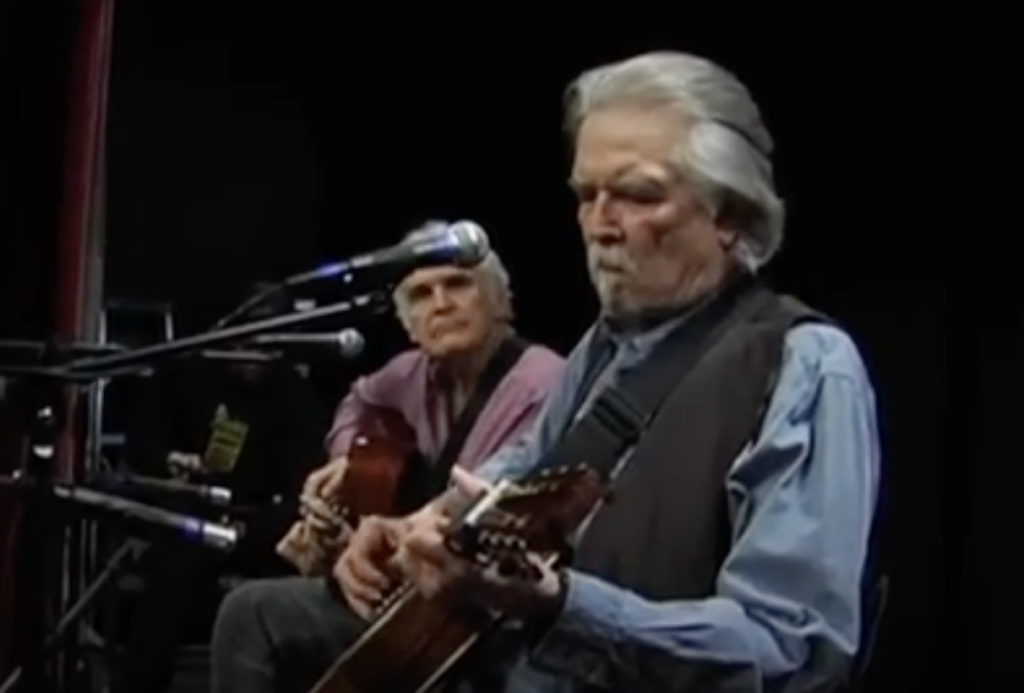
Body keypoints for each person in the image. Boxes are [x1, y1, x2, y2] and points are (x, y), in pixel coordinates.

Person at [211, 51, 880, 693]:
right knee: (257, 616)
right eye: (586, 195)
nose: (599, 224)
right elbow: (523, 471)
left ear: (730, 214)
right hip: (511, 658)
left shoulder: (806, 365)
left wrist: (561, 606)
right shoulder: (604, 347)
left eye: (638, 196)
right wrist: (414, 526)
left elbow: (791, 654)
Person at [270, 225, 567, 574]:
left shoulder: (543, 383)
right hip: (415, 574)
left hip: (487, 593)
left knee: (251, 609)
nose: (441, 305)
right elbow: (358, 402)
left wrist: (365, 548)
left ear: (499, 300)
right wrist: (350, 465)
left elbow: (492, 519)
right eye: (421, 295)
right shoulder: (410, 372)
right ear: (407, 323)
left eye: (458, 284)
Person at [113, 290, 329, 693]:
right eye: (244, 345)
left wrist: (262, 526)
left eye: (265, 348)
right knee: (168, 580)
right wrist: (172, 460)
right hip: (190, 516)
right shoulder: (184, 375)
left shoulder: (292, 396)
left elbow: (308, 478)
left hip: (258, 523)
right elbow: (141, 444)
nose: (252, 358)